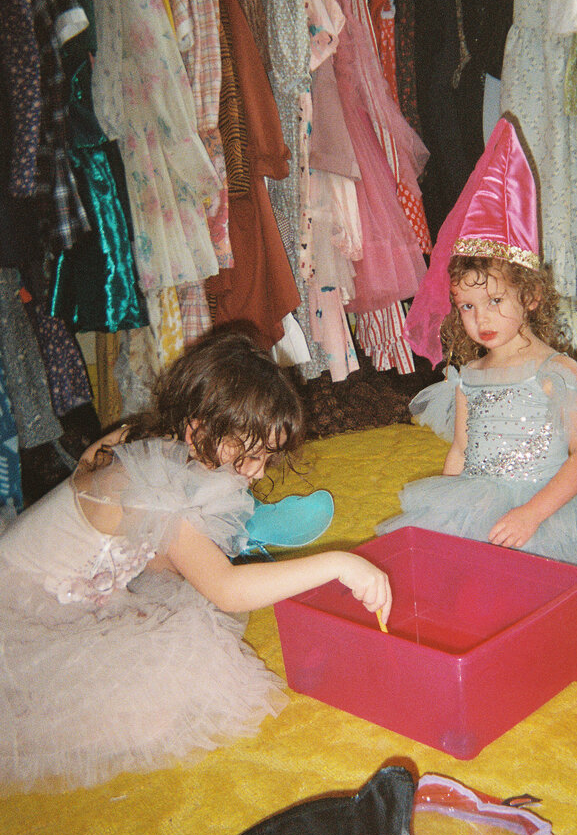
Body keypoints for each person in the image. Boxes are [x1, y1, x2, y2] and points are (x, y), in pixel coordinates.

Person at [0, 331, 391, 793]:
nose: (260, 472)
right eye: (251, 455)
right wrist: (340, 564)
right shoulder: (147, 481)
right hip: (21, 612)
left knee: (177, 646)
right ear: (198, 429)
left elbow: (158, 553)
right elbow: (225, 590)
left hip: (85, 587)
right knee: (160, 706)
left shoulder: (152, 441)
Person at [379, 116, 577, 622]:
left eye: (493, 300)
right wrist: (443, 515)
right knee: (456, 583)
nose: (479, 318)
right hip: (480, 499)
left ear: (530, 296)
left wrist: (532, 513)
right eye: (465, 306)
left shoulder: (556, 369)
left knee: (564, 586)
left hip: (546, 503)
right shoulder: (467, 375)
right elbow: (462, 450)